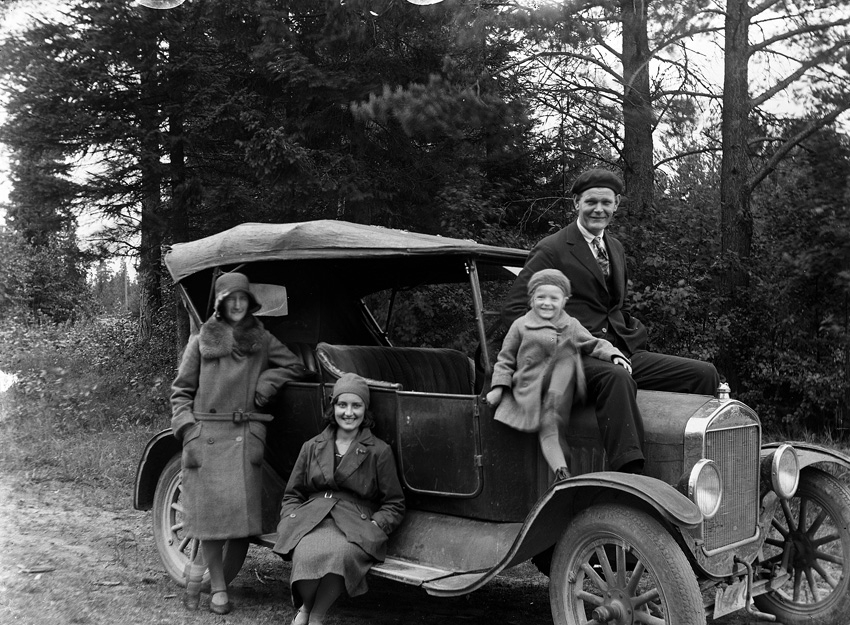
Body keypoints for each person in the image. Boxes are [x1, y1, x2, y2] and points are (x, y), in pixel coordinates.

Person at [501, 168, 719, 473]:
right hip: (576, 356)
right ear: (576, 203)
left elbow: (612, 304)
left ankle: (697, 473)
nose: (598, 209)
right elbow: (514, 310)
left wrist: (629, 328)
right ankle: (631, 476)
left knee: (702, 374)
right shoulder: (552, 249)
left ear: (616, 205)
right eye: (591, 201)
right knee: (616, 378)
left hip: (620, 349)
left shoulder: (614, 247)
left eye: (606, 202)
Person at [171, 271, 308, 615]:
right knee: (210, 521)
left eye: (242, 298)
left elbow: (295, 366)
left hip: (243, 438)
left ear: (250, 302)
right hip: (206, 436)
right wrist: (188, 431)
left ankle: (197, 571)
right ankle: (218, 587)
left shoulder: (261, 338)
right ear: (220, 303)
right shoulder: (201, 340)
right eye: (230, 299)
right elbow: (181, 392)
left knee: (233, 522)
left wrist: (267, 382)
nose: (236, 305)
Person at [273, 373, 405, 625]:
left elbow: (394, 503)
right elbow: (292, 494)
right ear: (332, 407)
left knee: (340, 556)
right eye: (342, 405)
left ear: (365, 410)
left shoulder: (379, 451)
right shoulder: (312, 446)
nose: (349, 412)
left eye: (356, 405)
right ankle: (306, 607)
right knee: (306, 555)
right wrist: (291, 518)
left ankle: (316, 615)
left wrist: (376, 524)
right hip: (312, 518)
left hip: (355, 523)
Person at [487, 269, 630, 482]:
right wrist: (498, 388)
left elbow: (593, 343)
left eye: (554, 298)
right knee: (548, 425)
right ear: (531, 299)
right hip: (531, 387)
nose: (547, 303)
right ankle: (561, 471)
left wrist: (614, 355)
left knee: (568, 355)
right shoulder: (520, 326)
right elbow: (505, 359)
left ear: (564, 301)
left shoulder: (570, 325)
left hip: (563, 389)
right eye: (540, 297)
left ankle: (554, 408)